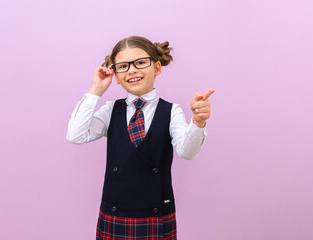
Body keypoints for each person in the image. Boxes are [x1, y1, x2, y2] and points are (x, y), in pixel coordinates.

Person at [66, 36, 215, 240]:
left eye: (140, 62)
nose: (132, 70)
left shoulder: (172, 111)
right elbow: (76, 135)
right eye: (124, 66)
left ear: (157, 68)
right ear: (116, 75)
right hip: (115, 212)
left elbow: (187, 153)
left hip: (156, 214)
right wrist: (96, 90)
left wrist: (198, 122)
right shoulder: (111, 110)